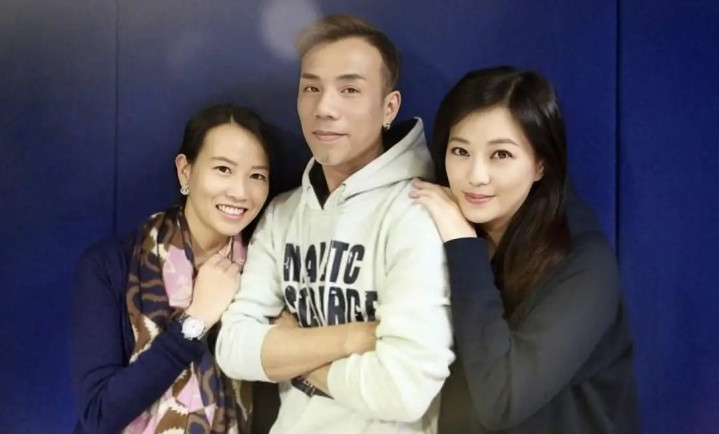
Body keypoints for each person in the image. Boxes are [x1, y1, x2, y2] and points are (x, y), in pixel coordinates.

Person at [216, 14, 454, 434]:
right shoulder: (282, 213)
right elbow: (233, 349)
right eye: (311, 88)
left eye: (349, 90)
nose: (324, 108)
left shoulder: (420, 213)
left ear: (389, 107)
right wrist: (356, 337)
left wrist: (294, 353)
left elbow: (403, 391)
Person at [410, 66, 640, 433]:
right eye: (460, 151)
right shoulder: (432, 229)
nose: (476, 176)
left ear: (540, 165)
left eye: (501, 155)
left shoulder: (585, 265)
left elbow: (501, 402)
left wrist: (462, 244)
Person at [69, 104, 279, 434]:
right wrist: (195, 321)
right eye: (223, 169)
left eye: (257, 176)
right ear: (185, 171)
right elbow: (99, 415)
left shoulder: (265, 272)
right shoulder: (111, 265)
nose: (240, 192)